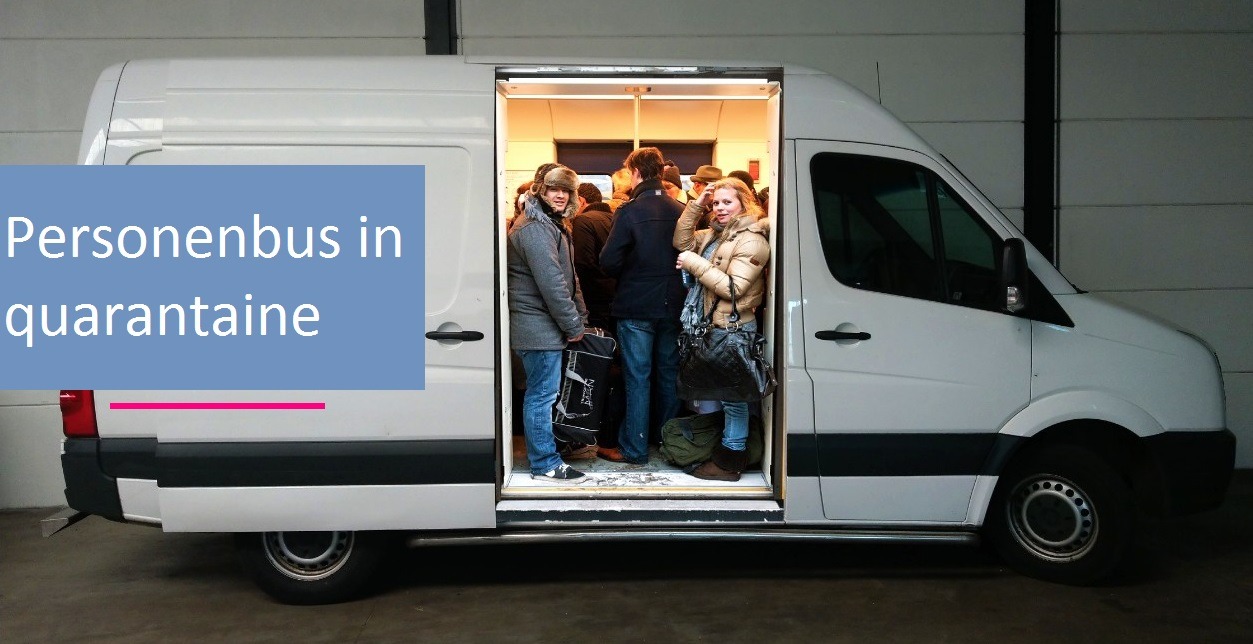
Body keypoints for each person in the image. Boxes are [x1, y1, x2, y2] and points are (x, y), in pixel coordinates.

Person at [673, 177, 770, 481]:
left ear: (744, 202)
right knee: (728, 396)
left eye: (727, 202)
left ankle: (731, 460)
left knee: (734, 398)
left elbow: (733, 288)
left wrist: (694, 264)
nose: (720, 208)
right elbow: (681, 241)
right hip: (716, 325)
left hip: (734, 328)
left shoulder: (751, 239)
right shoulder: (718, 234)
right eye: (716, 203)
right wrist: (697, 205)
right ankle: (730, 453)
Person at [598, 147, 686, 465]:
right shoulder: (681, 210)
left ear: (635, 172)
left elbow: (608, 261)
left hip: (636, 306)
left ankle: (634, 448)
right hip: (674, 305)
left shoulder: (629, 212)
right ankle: (668, 444)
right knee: (668, 375)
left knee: (637, 377)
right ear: (661, 172)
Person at [507, 165, 590, 482]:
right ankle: (544, 463)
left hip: (545, 326)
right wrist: (573, 325)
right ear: (540, 190)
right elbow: (553, 284)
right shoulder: (534, 228)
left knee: (544, 394)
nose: (560, 195)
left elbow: (570, 279)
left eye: (566, 190)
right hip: (537, 327)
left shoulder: (552, 224)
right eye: (554, 189)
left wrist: (579, 317)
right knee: (541, 396)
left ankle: (547, 456)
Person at [572, 182, 616, 329]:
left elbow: (583, 262)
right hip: (617, 295)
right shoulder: (615, 218)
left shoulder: (583, 220)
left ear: (581, 200)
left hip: (595, 299)